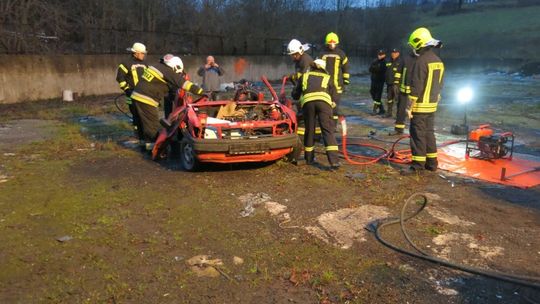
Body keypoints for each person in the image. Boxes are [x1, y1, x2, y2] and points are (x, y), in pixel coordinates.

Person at [131, 56, 205, 148]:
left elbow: (161, 84)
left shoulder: (157, 66)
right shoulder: (168, 71)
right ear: (175, 66)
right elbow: (185, 84)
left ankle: (143, 144)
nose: (176, 73)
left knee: (143, 123)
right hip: (146, 99)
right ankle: (154, 148)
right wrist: (202, 92)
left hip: (136, 96)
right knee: (152, 125)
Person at [401, 27, 445, 175]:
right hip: (432, 106)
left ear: (420, 44)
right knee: (429, 133)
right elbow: (440, 84)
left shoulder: (421, 62)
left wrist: (409, 107)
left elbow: (416, 87)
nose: (413, 49)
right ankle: (432, 163)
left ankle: (418, 165)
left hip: (420, 106)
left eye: (414, 45)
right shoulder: (438, 61)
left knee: (417, 135)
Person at [291, 59, 340, 169]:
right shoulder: (328, 77)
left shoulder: (305, 76)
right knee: (327, 130)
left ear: (312, 67)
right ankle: (334, 161)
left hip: (308, 105)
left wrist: (295, 94)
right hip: (324, 104)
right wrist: (332, 105)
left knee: (309, 130)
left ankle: (309, 158)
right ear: (323, 68)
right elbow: (335, 95)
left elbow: (295, 94)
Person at [116, 42, 147, 139]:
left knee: (145, 114)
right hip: (131, 94)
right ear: (135, 53)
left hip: (144, 93)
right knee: (135, 113)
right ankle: (137, 132)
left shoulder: (146, 64)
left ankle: (145, 132)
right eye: (142, 53)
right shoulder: (125, 64)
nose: (143, 55)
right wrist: (127, 90)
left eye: (144, 53)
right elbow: (120, 78)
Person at [320, 32, 350, 126]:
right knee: (325, 105)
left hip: (337, 85)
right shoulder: (322, 54)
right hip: (324, 85)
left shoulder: (341, 54)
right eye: (330, 43)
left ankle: (333, 125)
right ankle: (325, 123)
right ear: (327, 43)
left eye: (334, 43)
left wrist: (345, 82)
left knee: (335, 107)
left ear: (336, 43)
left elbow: (346, 68)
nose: (332, 45)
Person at [391, 50, 416, 135]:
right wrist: (396, 83)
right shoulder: (405, 59)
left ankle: (417, 130)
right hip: (404, 90)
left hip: (416, 90)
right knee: (401, 109)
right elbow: (398, 71)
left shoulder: (422, 59)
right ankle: (399, 129)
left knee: (416, 111)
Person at [369, 49, 387, 115]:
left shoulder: (384, 62)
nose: (379, 56)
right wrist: (375, 68)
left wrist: (375, 68)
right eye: (379, 54)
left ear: (384, 55)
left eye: (381, 55)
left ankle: (375, 110)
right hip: (374, 80)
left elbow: (381, 70)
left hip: (380, 81)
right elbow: (370, 69)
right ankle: (381, 109)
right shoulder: (375, 61)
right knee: (372, 92)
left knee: (378, 95)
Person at [384, 48, 402, 118]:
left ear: (398, 53)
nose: (393, 54)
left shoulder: (401, 61)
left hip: (397, 84)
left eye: (395, 53)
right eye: (392, 52)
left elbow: (401, 72)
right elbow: (385, 71)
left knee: (398, 100)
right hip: (389, 83)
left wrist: (397, 82)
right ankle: (389, 113)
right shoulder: (388, 61)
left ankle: (399, 114)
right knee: (389, 99)